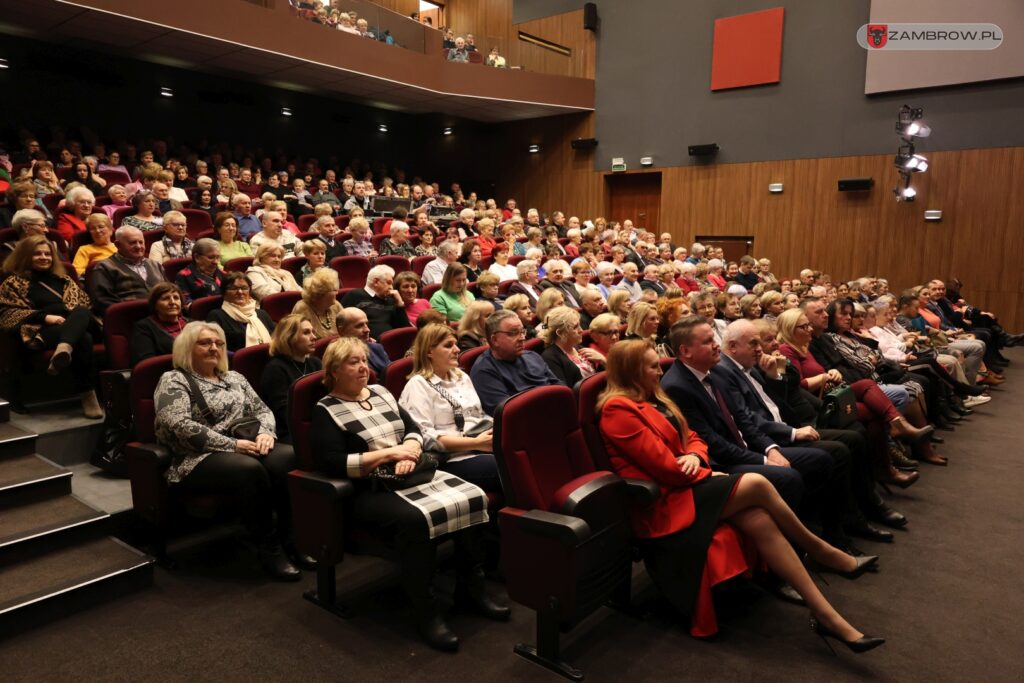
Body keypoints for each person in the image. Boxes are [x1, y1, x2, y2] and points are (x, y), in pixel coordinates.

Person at [598, 340, 883, 647]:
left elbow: (693, 437)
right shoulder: (617, 410)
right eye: (653, 366)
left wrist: (696, 457)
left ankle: (827, 617)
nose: (660, 371)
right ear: (631, 371)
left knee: (759, 518)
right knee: (759, 484)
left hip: (690, 484)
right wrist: (707, 470)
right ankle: (820, 550)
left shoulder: (656, 397)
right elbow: (666, 468)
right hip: (665, 501)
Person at [311, 337, 505, 651]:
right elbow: (332, 463)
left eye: (364, 360)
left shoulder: (382, 392)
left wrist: (410, 450)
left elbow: (414, 429)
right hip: (371, 489)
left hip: (411, 470)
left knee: (473, 496)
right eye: (353, 362)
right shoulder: (325, 410)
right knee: (416, 521)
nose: (363, 367)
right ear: (333, 370)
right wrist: (388, 456)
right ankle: (425, 611)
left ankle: (471, 589)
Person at [153, 322, 301, 581]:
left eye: (219, 343)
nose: (214, 348)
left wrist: (266, 433)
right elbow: (177, 424)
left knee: (287, 457)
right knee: (250, 469)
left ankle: (292, 540)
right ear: (188, 347)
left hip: (244, 444)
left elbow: (262, 410)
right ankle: (270, 548)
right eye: (205, 343)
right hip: (197, 457)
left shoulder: (235, 378)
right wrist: (231, 445)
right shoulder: (174, 380)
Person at [661, 316, 832, 511]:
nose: (717, 345)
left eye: (714, 339)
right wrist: (764, 460)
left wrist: (769, 449)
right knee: (788, 478)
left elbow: (742, 418)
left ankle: (815, 523)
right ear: (685, 351)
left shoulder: (715, 371)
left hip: (746, 448)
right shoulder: (676, 386)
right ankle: (793, 534)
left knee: (821, 459)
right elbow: (711, 441)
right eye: (708, 342)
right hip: (722, 462)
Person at [0, 235, 102, 418]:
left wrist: (68, 320)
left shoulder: (64, 280)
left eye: (47, 254)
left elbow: (84, 304)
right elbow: (6, 314)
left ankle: (64, 348)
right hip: (40, 331)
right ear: (25, 256)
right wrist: (46, 317)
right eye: (37, 254)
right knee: (83, 338)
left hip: (71, 324)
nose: (44, 257)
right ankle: (88, 394)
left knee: (81, 313)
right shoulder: (13, 283)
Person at [400, 323, 501, 491]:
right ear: (428, 352)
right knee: (507, 467)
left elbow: (478, 415)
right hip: (451, 458)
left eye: (455, 344)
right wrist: (475, 443)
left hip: (480, 445)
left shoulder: (461, 376)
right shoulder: (418, 385)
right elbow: (425, 436)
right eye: (448, 345)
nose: (456, 350)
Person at [470, 310, 560, 415]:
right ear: (494, 340)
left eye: (522, 331)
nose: (522, 338)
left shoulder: (532, 356)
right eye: (513, 333)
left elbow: (559, 385)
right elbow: (507, 414)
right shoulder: (484, 371)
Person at [260, 314, 322, 444]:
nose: (314, 337)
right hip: (290, 431)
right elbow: (285, 413)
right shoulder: (275, 369)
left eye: (313, 332)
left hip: (318, 423)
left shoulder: (315, 363)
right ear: (289, 338)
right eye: (306, 333)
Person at [87, 226, 166, 315]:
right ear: (117, 245)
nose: (138, 246)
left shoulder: (155, 265)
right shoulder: (104, 268)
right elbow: (103, 301)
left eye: (141, 242)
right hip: (128, 319)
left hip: (163, 316)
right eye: (132, 243)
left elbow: (169, 291)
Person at [206, 272, 275, 352]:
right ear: (224, 293)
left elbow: (276, 339)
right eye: (233, 288)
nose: (240, 292)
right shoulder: (216, 316)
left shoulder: (262, 314)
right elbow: (217, 347)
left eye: (244, 288)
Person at [341, 265, 410, 339]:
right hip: (363, 344)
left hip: (389, 344)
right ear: (376, 282)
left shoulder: (391, 300)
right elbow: (343, 325)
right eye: (389, 283)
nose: (391, 288)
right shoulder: (354, 296)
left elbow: (404, 330)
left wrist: (400, 304)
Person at [130, 282, 189, 365]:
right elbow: (147, 363)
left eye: (176, 298)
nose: (172, 302)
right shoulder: (144, 327)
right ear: (155, 304)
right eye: (165, 298)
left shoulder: (193, 324)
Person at [540, 307, 599, 387]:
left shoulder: (579, 347)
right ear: (560, 333)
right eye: (575, 327)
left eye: (579, 325)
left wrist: (602, 360)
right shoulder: (550, 357)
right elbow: (565, 391)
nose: (581, 330)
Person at [336, 307, 390, 375]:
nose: (367, 330)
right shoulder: (338, 358)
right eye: (359, 326)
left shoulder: (377, 348)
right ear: (342, 331)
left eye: (366, 324)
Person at [292, 268, 343, 339]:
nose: (337, 292)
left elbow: (346, 329)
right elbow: (297, 339)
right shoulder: (302, 308)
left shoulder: (335, 305)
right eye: (334, 290)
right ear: (322, 293)